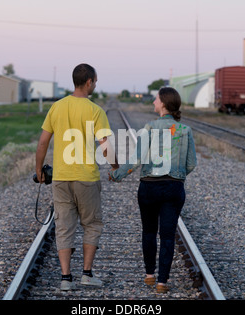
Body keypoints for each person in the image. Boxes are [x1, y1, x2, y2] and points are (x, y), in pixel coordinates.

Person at [35, 63, 119, 291]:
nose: (95, 84)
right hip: (86, 177)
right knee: (92, 224)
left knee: (64, 226)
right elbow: (105, 144)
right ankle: (87, 274)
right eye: (96, 81)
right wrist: (115, 167)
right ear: (89, 81)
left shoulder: (57, 107)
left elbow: (43, 141)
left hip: (61, 177)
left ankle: (65, 279)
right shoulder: (95, 111)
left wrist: (38, 170)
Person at [110, 87, 197, 293]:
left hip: (149, 187)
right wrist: (176, 175)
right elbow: (191, 164)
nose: (153, 103)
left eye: (156, 99)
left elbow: (137, 160)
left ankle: (149, 275)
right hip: (173, 187)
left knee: (149, 231)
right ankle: (162, 283)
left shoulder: (149, 128)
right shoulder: (185, 131)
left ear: (164, 104)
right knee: (167, 236)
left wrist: (117, 175)